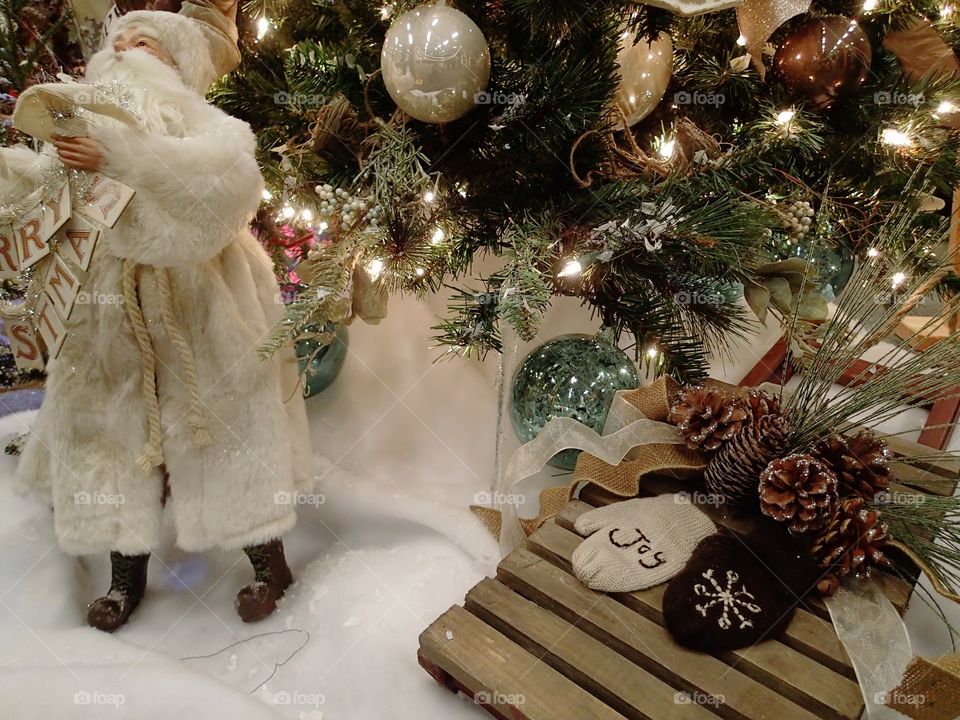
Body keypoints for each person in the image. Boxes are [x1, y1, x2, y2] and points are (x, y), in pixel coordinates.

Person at [5, 1, 313, 631]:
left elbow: (220, 191)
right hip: (109, 307)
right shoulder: (79, 130)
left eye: (146, 46)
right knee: (112, 436)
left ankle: (266, 559)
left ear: (179, 66)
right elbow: (41, 193)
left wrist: (124, 155)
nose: (125, 53)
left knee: (224, 429)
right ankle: (125, 575)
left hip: (204, 304)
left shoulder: (213, 130)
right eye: (120, 42)